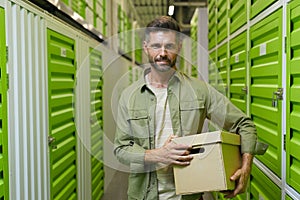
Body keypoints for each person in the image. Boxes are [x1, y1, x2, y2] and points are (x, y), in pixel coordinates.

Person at [114, 16, 266, 200]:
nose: (162, 53)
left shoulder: (199, 90)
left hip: (190, 196)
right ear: (146, 47)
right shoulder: (129, 96)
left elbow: (244, 125)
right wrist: (159, 154)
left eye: (169, 46)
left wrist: (246, 167)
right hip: (143, 195)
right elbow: (121, 149)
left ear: (178, 47)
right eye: (156, 46)